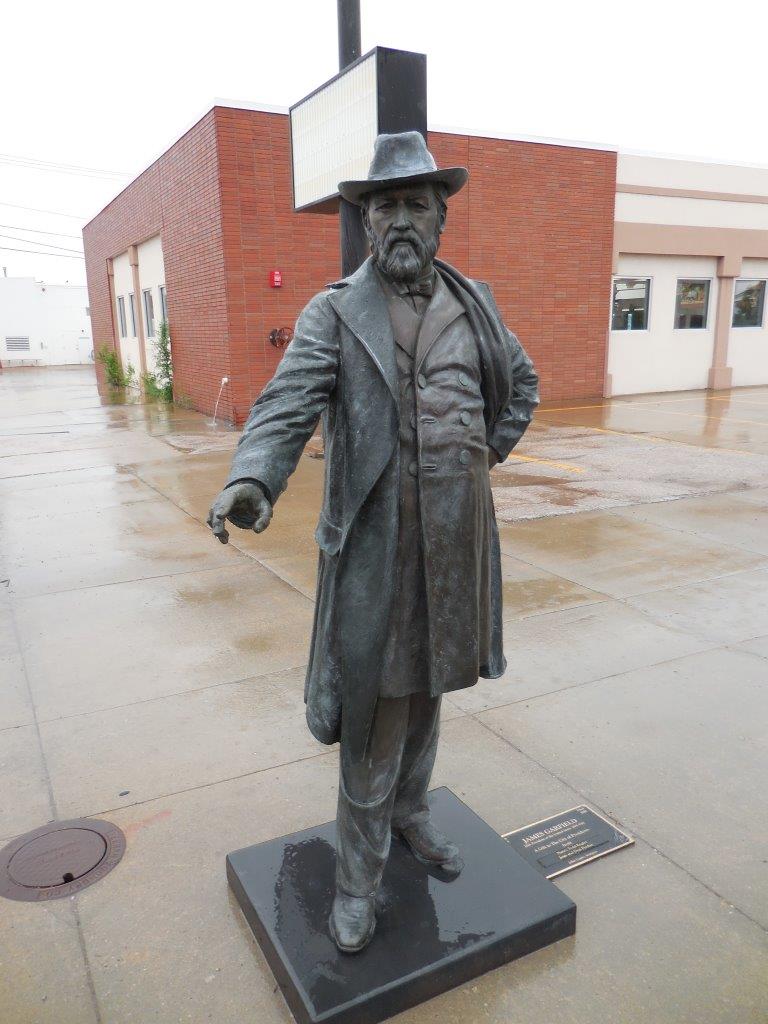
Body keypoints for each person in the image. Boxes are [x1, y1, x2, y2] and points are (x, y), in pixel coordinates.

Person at [207, 131, 539, 953]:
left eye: (413, 204)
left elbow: (520, 384)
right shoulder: (334, 310)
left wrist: (480, 454)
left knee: (430, 688)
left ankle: (415, 815)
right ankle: (358, 878)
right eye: (383, 204)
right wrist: (253, 478)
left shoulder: (476, 303)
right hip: (377, 546)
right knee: (374, 715)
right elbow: (287, 402)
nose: (398, 219)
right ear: (364, 220)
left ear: (439, 218)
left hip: (457, 544)